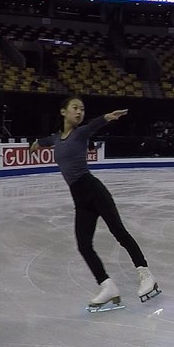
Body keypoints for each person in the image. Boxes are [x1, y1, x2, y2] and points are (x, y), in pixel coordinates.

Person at [31, 96, 159, 312]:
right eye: (75, 108)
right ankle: (107, 286)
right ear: (63, 112)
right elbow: (46, 140)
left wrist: (107, 117)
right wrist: (35, 143)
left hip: (94, 191)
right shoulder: (56, 138)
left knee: (119, 232)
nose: (79, 112)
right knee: (83, 245)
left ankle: (146, 275)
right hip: (80, 199)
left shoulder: (80, 133)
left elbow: (92, 126)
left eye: (82, 109)